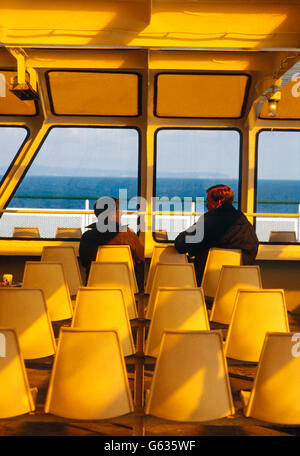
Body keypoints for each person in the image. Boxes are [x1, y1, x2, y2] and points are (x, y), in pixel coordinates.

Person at [174, 184, 259, 286]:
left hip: (207, 284)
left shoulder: (209, 221)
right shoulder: (244, 223)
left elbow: (180, 244)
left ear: (218, 202)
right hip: (240, 283)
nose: (206, 205)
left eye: (208, 201)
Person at [79, 197, 144, 290]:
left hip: (95, 286)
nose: (121, 213)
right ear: (111, 215)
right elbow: (141, 257)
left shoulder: (87, 237)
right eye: (119, 210)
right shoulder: (128, 235)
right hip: (126, 287)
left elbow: (84, 262)